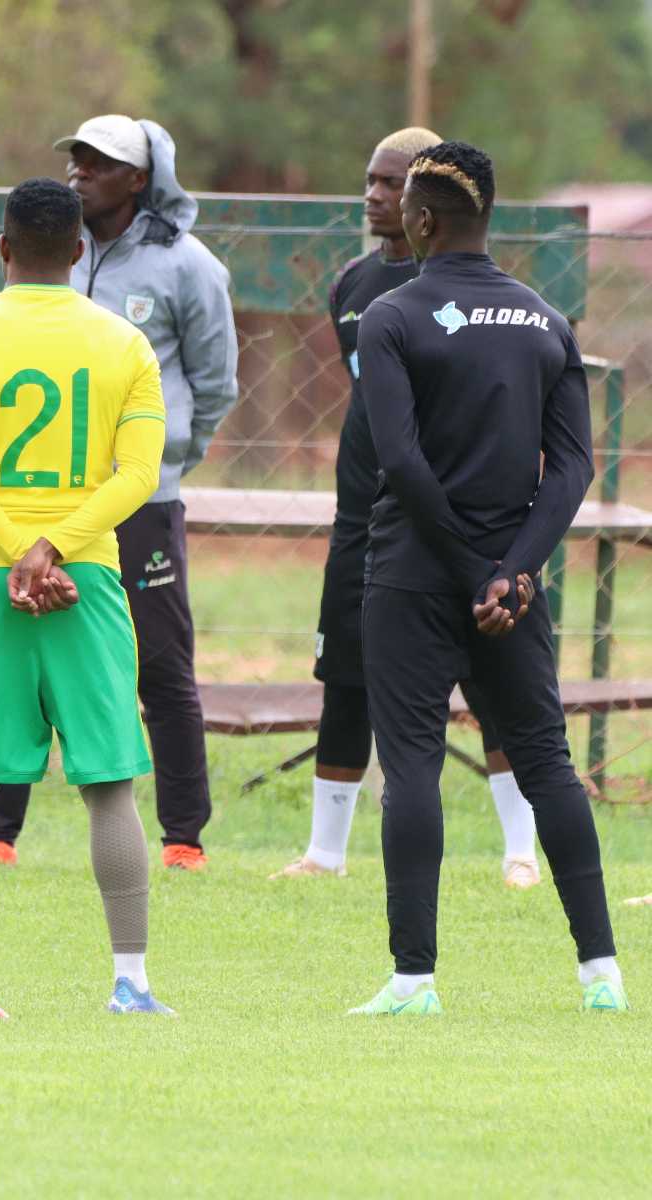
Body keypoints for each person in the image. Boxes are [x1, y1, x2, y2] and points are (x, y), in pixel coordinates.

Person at [0, 178, 172, 1016]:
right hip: (89, 585)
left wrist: (18, 551)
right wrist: (56, 549)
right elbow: (141, 476)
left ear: (2, 248)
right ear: (80, 251)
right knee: (111, 785)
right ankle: (133, 986)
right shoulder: (125, 345)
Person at [350, 141, 623, 1015]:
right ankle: (602, 974)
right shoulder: (548, 321)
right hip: (513, 590)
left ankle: (414, 980)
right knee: (547, 763)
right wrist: (514, 573)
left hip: (413, 577)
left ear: (422, 221)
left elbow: (401, 460)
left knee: (414, 767)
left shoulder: (394, 316)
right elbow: (573, 469)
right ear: (489, 218)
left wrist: (472, 571)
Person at [273, 127, 540, 887]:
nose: (375, 196)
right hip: (365, 518)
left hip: (459, 518)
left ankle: (519, 849)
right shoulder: (352, 285)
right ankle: (325, 854)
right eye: (371, 180)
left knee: (494, 683)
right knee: (347, 674)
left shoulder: (466, 292)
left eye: (391, 184)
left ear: (427, 203)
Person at [0, 115, 238, 871]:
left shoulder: (190, 267)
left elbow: (214, 383)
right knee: (23, 653)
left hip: (140, 502)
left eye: (101, 164)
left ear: (141, 178)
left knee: (160, 664)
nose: (80, 172)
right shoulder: (46, 255)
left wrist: (167, 462)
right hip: (44, 499)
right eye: (76, 159)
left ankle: (184, 838)